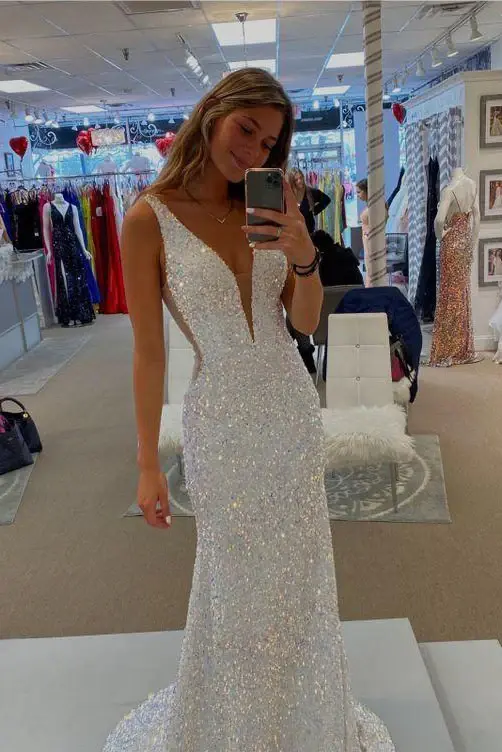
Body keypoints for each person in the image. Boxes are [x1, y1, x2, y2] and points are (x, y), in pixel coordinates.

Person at [105, 68, 395, 751]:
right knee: (232, 581)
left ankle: (302, 720)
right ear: (214, 113)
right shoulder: (148, 219)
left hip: (289, 411)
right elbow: (147, 354)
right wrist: (147, 464)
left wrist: (304, 257)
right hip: (221, 422)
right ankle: (235, 726)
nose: (254, 150)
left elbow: (305, 322)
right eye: (246, 129)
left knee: (300, 574)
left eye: (268, 142)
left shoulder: (271, 202)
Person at [288, 167, 331, 235]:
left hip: (309, 232)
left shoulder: (310, 192)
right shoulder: (289, 195)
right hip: (294, 233)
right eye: (296, 180)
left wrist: (314, 210)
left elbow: (326, 199)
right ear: (292, 182)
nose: (300, 181)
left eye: (301, 177)